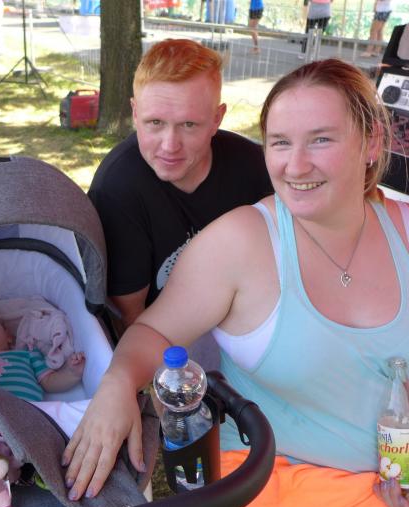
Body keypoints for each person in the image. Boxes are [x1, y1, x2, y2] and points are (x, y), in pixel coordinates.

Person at [63, 59, 409, 507]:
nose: (295, 165)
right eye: (281, 142)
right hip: (286, 471)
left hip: (402, 470)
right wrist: (118, 382)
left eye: (321, 139)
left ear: (371, 143)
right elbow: (153, 330)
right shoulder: (240, 241)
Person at [87, 39, 271, 346]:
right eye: (155, 122)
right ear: (135, 113)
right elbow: (130, 319)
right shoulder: (117, 190)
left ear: (217, 119)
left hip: (249, 325)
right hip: (170, 342)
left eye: (188, 124)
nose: (170, 145)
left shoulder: (255, 166)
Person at [0, 310, 85, 402]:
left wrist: (72, 373)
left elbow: (49, 382)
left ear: (8, 336)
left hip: (27, 410)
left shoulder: (27, 354)